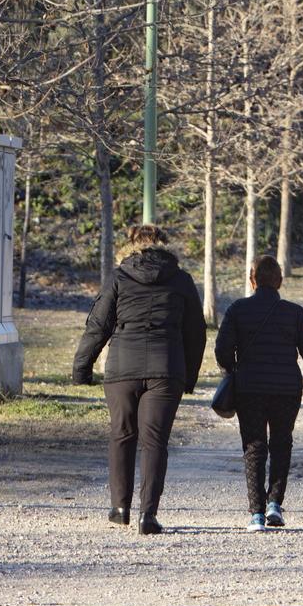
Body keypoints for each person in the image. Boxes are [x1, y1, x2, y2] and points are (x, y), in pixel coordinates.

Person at [71, 225, 206, 536]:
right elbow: (195, 333)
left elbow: (98, 325)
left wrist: (82, 369)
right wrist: (188, 376)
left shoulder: (119, 277)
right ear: (165, 246)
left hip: (122, 369)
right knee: (155, 441)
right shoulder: (182, 280)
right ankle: (148, 514)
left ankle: (120, 507)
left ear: (131, 245)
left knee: (122, 434)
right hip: (166, 367)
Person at [216, 256, 303, 532]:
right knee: (281, 444)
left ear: (252, 280)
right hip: (286, 390)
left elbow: (221, 349)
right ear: (279, 281)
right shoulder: (294, 313)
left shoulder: (238, 309)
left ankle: (256, 513)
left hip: (249, 388)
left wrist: (234, 368)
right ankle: (274, 504)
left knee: (254, 447)